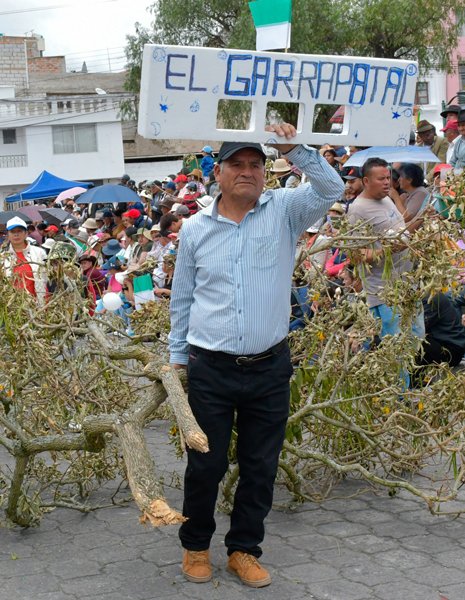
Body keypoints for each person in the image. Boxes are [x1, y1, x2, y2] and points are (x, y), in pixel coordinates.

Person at [169, 127, 344, 588]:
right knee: (205, 464)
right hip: (210, 367)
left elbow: (332, 188)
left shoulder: (284, 211)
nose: (247, 172)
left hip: (269, 365)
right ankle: (195, 546)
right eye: (237, 165)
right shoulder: (195, 228)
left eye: (256, 164)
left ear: (266, 173)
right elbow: (182, 298)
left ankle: (244, 550)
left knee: (260, 465)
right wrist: (177, 359)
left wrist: (294, 150)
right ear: (218, 173)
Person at [346, 157, 423, 341]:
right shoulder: (357, 210)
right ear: (366, 181)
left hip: (407, 286)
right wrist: (388, 251)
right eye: (381, 179)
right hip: (384, 295)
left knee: (416, 340)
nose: (387, 182)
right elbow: (355, 255)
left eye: (388, 177)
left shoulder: (387, 199)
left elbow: (401, 232)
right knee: (397, 346)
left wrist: (422, 218)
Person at [3, 217, 47, 304]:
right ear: (8, 235)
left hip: (36, 306)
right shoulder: (2, 257)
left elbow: (48, 277)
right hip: (12, 307)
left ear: (26, 233)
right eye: (12, 232)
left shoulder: (39, 253)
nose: (16, 234)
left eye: (19, 231)